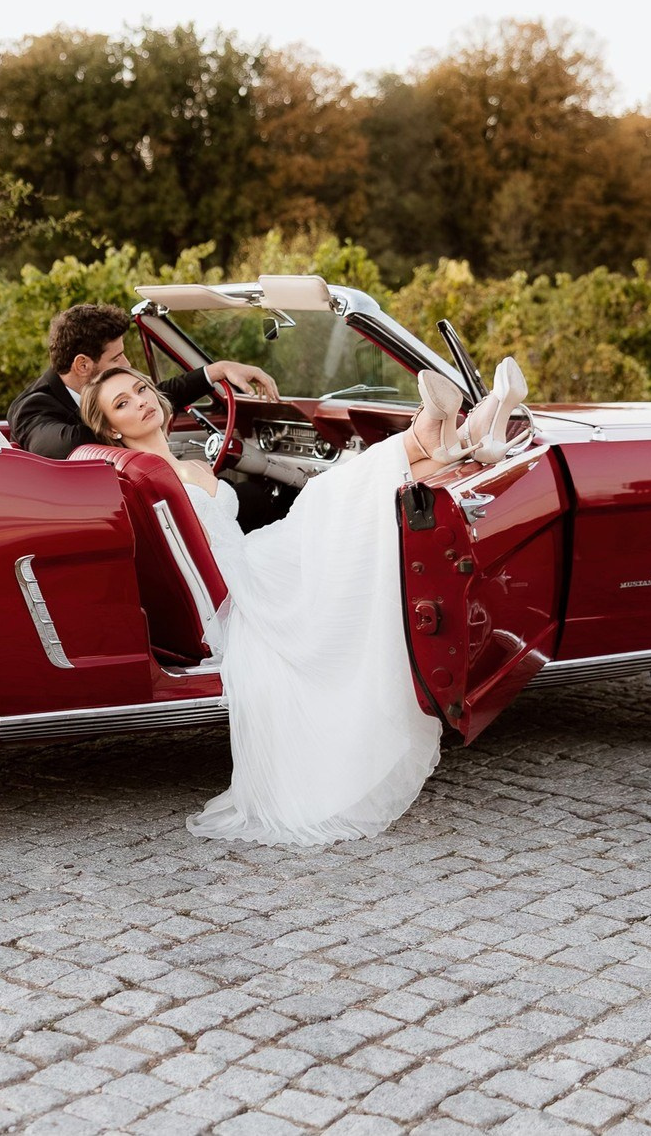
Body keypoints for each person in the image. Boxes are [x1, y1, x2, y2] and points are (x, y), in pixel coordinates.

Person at [80, 356, 527, 846]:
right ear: (111, 428)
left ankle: (460, 439)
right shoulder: (156, 471)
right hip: (246, 584)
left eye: (141, 390)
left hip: (250, 555)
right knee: (329, 498)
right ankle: (456, 432)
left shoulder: (177, 463)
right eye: (123, 404)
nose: (141, 402)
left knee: (347, 499)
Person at [7, 304, 279, 459]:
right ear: (82, 365)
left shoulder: (107, 392)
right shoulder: (34, 407)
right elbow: (62, 446)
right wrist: (121, 424)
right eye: (116, 358)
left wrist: (216, 371)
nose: (126, 365)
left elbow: (149, 398)